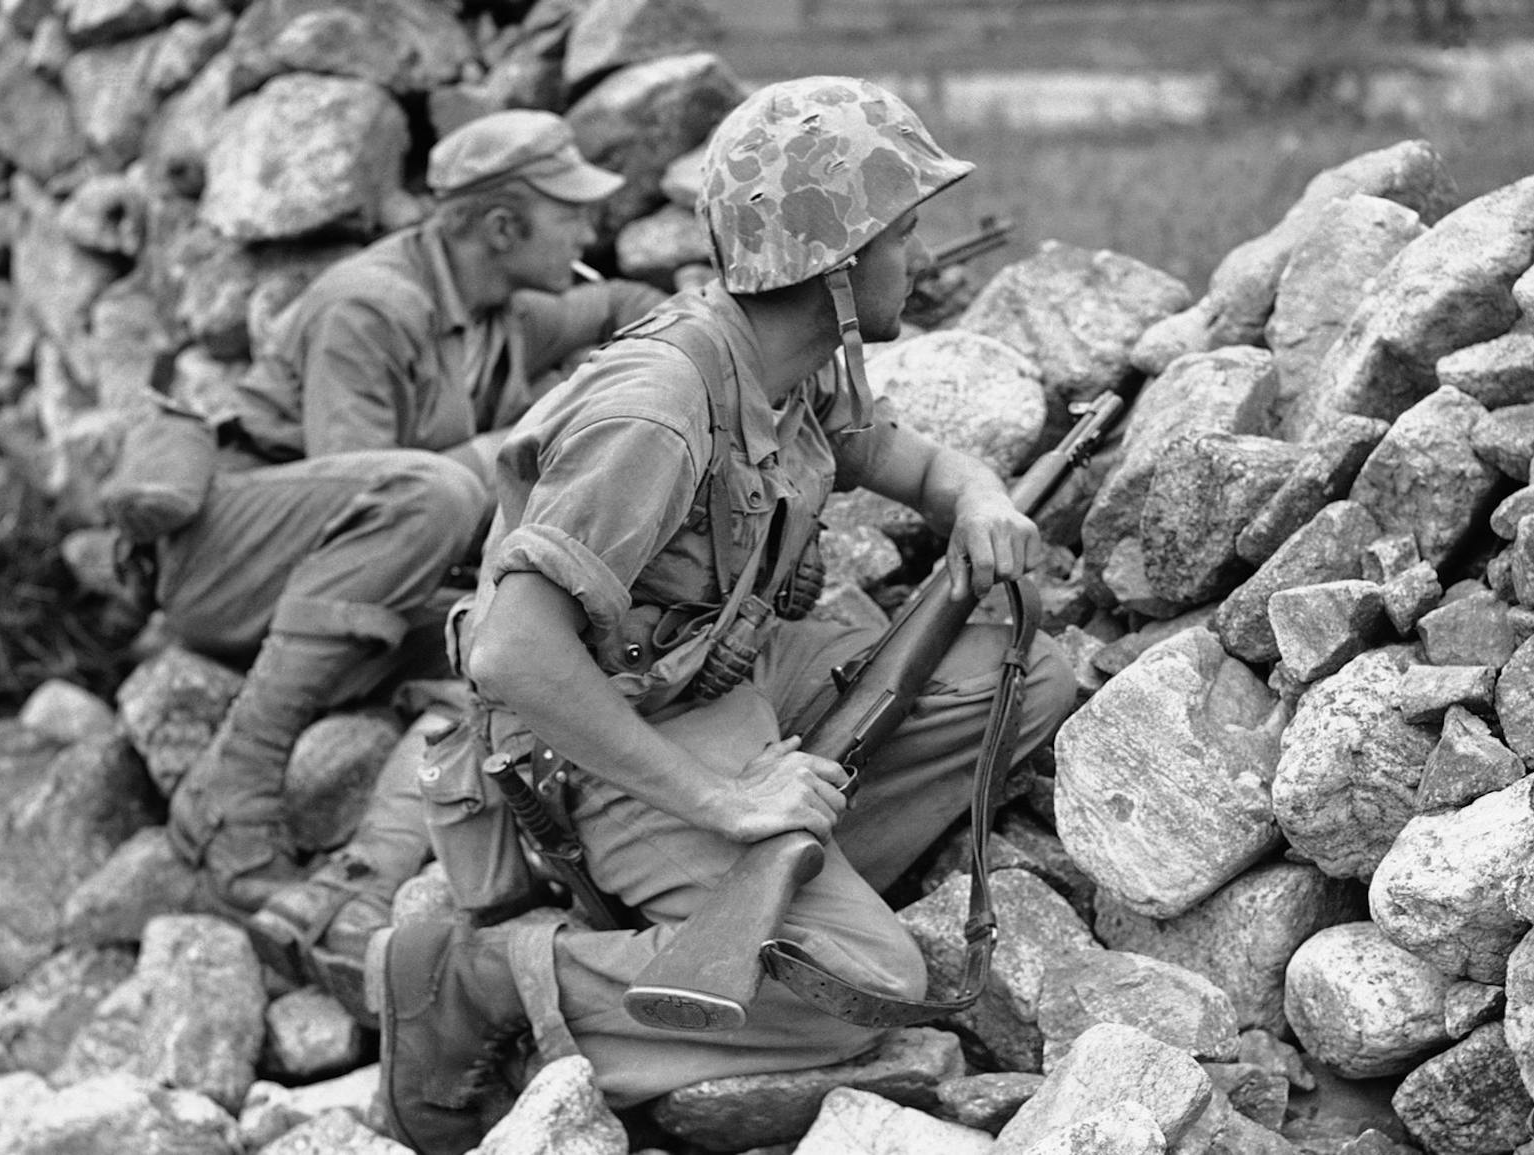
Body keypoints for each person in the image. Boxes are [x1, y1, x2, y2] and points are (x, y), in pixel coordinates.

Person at [371, 77, 1077, 1154]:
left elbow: (898, 457)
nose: (923, 261)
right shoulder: (655, 413)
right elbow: (515, 653)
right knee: (863, 982)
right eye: (907, 233)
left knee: (1027, 674)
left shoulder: (790, 358)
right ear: (839, 269)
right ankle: (488, 980)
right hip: (606, 730)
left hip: (723, 673)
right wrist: (725, 804)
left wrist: (976, 496)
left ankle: (763, 890)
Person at [160, 109, 663, 1003]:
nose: (589, 234)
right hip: (236, 569)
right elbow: (366, 492)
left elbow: (628, 306)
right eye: (570, 215)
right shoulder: (372, 306)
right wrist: (530, 439)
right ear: (503, 227)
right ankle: (234, 782)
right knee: (435, 492)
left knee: (514, 652)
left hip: (352, 597)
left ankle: (350, 892)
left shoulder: (502, 310)